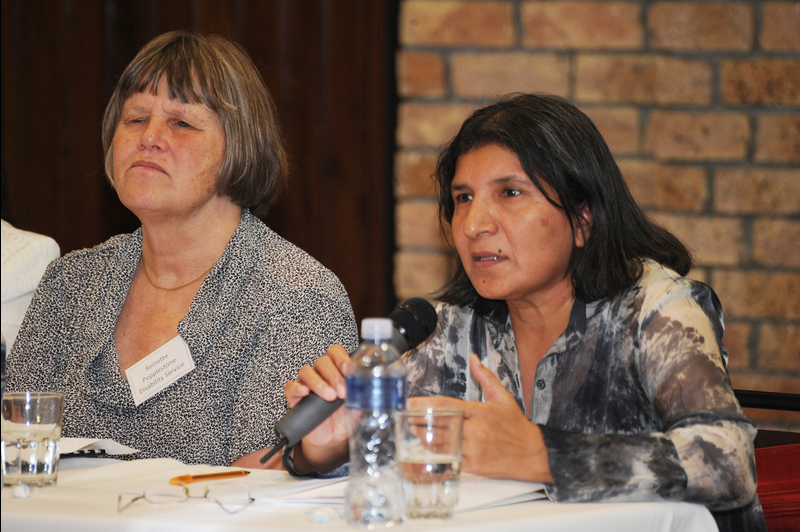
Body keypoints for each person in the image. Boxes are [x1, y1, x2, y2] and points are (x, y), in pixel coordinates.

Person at [284, 94, 765, 531]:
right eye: (462, 198)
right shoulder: (449, 328)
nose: (473, 224)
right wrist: (328, 447)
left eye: (509, 193)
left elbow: (727, 463)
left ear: (582, 220)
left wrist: (542, 454)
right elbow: (402, 466)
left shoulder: (656, 307)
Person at [7, 31, 358, 468]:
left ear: (241, 146)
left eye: (182, 122)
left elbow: (270, 475)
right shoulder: (71, 283)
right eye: (135, 118)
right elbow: (13, 444)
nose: (149, 137)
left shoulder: (294, 297)